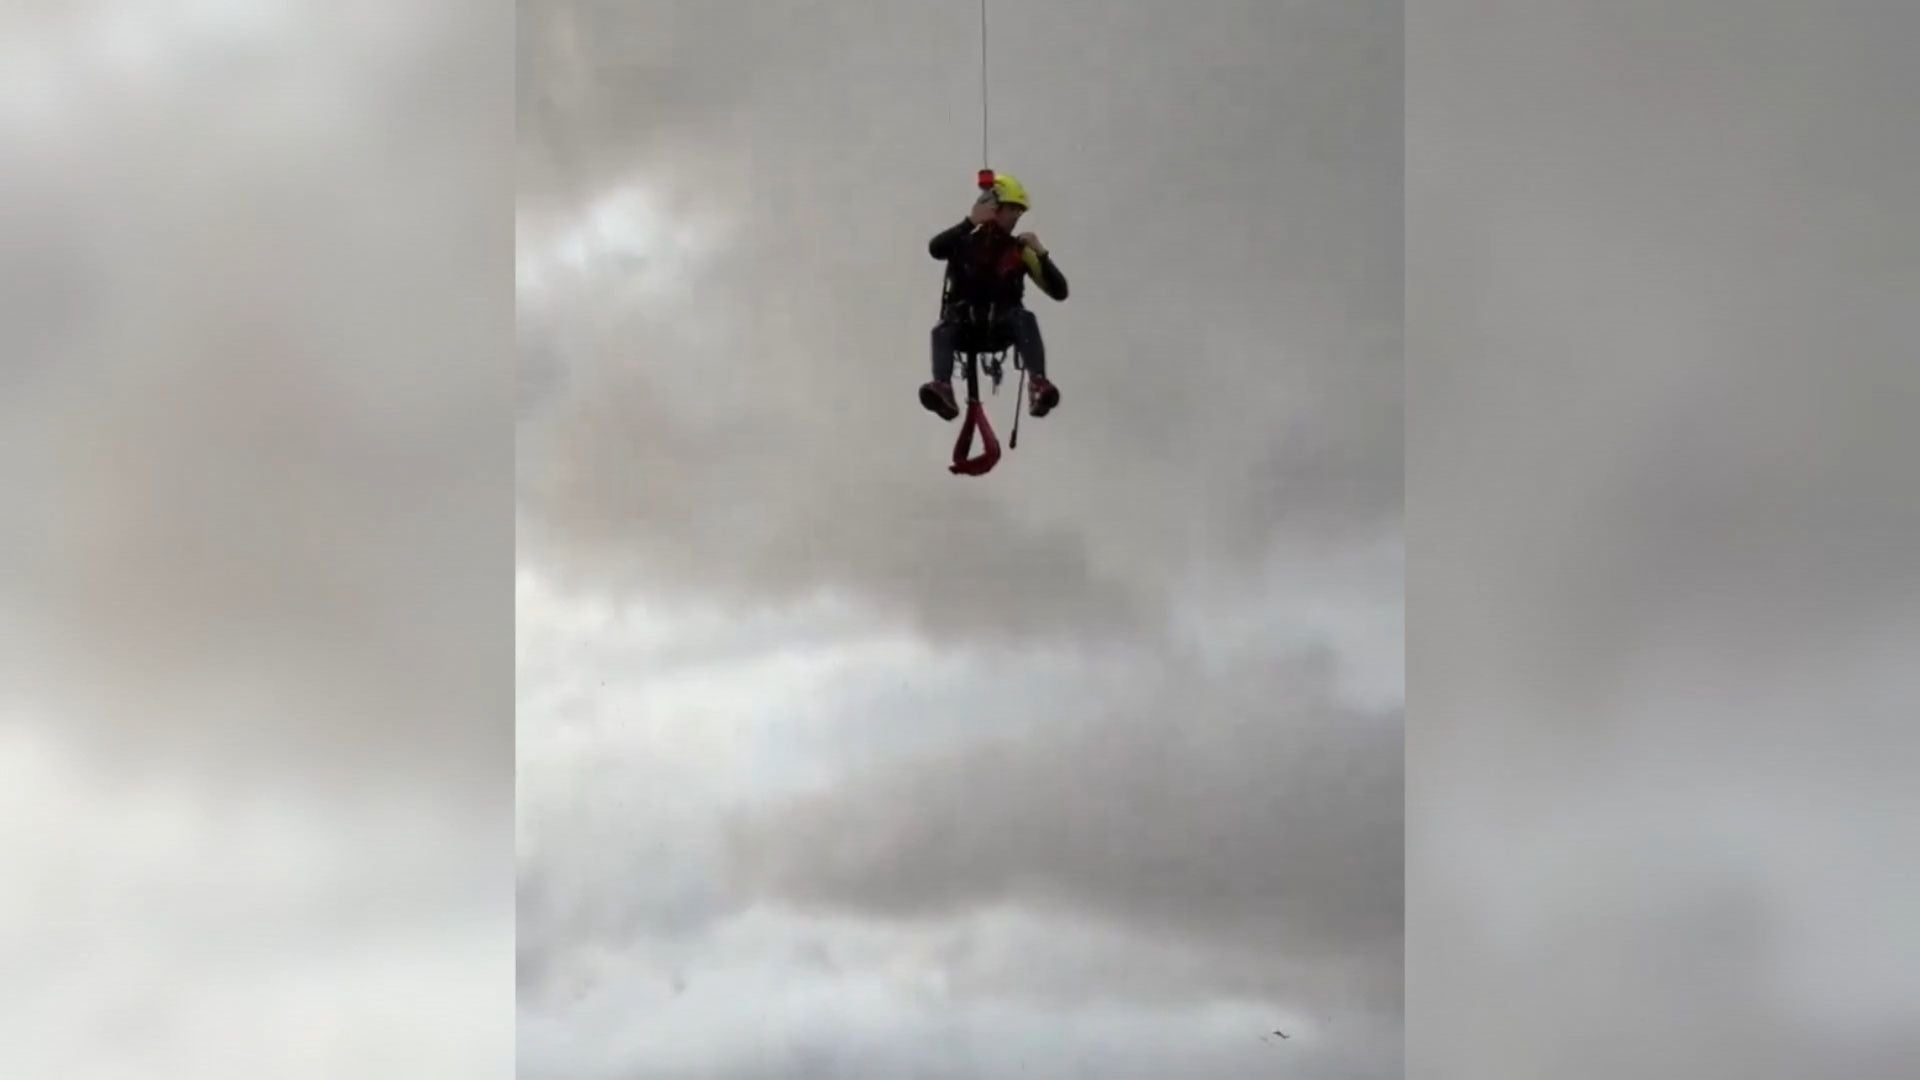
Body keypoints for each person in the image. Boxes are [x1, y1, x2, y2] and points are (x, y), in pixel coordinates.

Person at [920, 171, 1068, 421]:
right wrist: (970, 221)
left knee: (1024, 319)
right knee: (942, 331)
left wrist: (1041, 254)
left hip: (1000, 328)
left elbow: (1059, 291)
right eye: (1012, 210)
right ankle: (943, 388)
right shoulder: (962, 241)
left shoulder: (1019, 250)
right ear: (994, 208)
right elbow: (936, 248)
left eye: (1019, 212)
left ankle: (1038, 383)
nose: (1016, 217)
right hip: (963, 328)